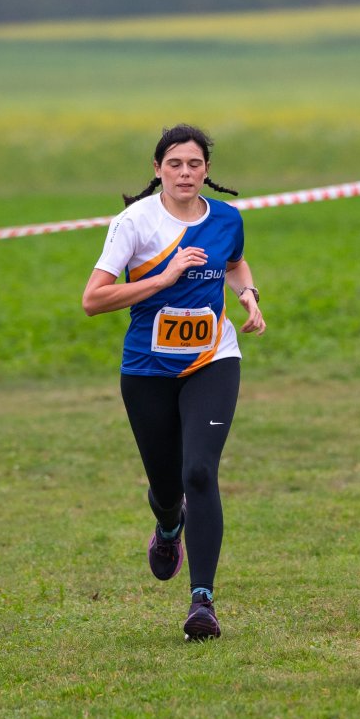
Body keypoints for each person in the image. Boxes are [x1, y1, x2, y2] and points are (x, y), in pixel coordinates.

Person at [82, 124, 266, 641]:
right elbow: (93, 300)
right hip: (147, 370)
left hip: (213, 359)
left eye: (194, 164)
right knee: (167, 489)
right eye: (175, 164)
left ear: (207, 170)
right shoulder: (134, 223)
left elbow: (235, 263)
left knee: (200, 472)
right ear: (158, 169)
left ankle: (202, 602)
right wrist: (162, 280)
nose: (185, 173)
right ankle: (168, 525)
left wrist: (248, 293)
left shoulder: (227, 218)